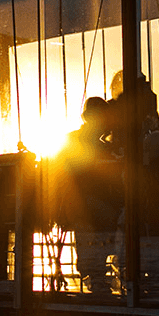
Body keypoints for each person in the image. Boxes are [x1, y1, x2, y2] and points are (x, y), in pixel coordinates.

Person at [54, 97, 122, 292]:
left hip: (94, 200)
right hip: (76, 202)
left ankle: (101, 269)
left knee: (118, 211)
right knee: (108, 214)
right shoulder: (76, 143)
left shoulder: (99, 146)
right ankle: (97, 270)